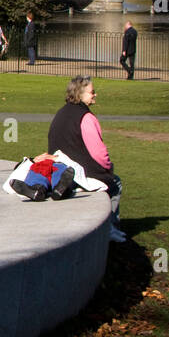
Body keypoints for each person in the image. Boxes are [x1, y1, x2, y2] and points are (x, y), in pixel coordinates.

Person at [48, 75, 126, 242]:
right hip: (79, 173)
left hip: (60, 169)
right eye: (92, 92)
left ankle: (110, 228)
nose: (95, 95)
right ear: (80, 94)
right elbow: (99, 153)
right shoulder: (86, 117)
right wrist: (108, 167)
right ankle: (110, 228)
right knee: (115, 183)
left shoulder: (62, 112)